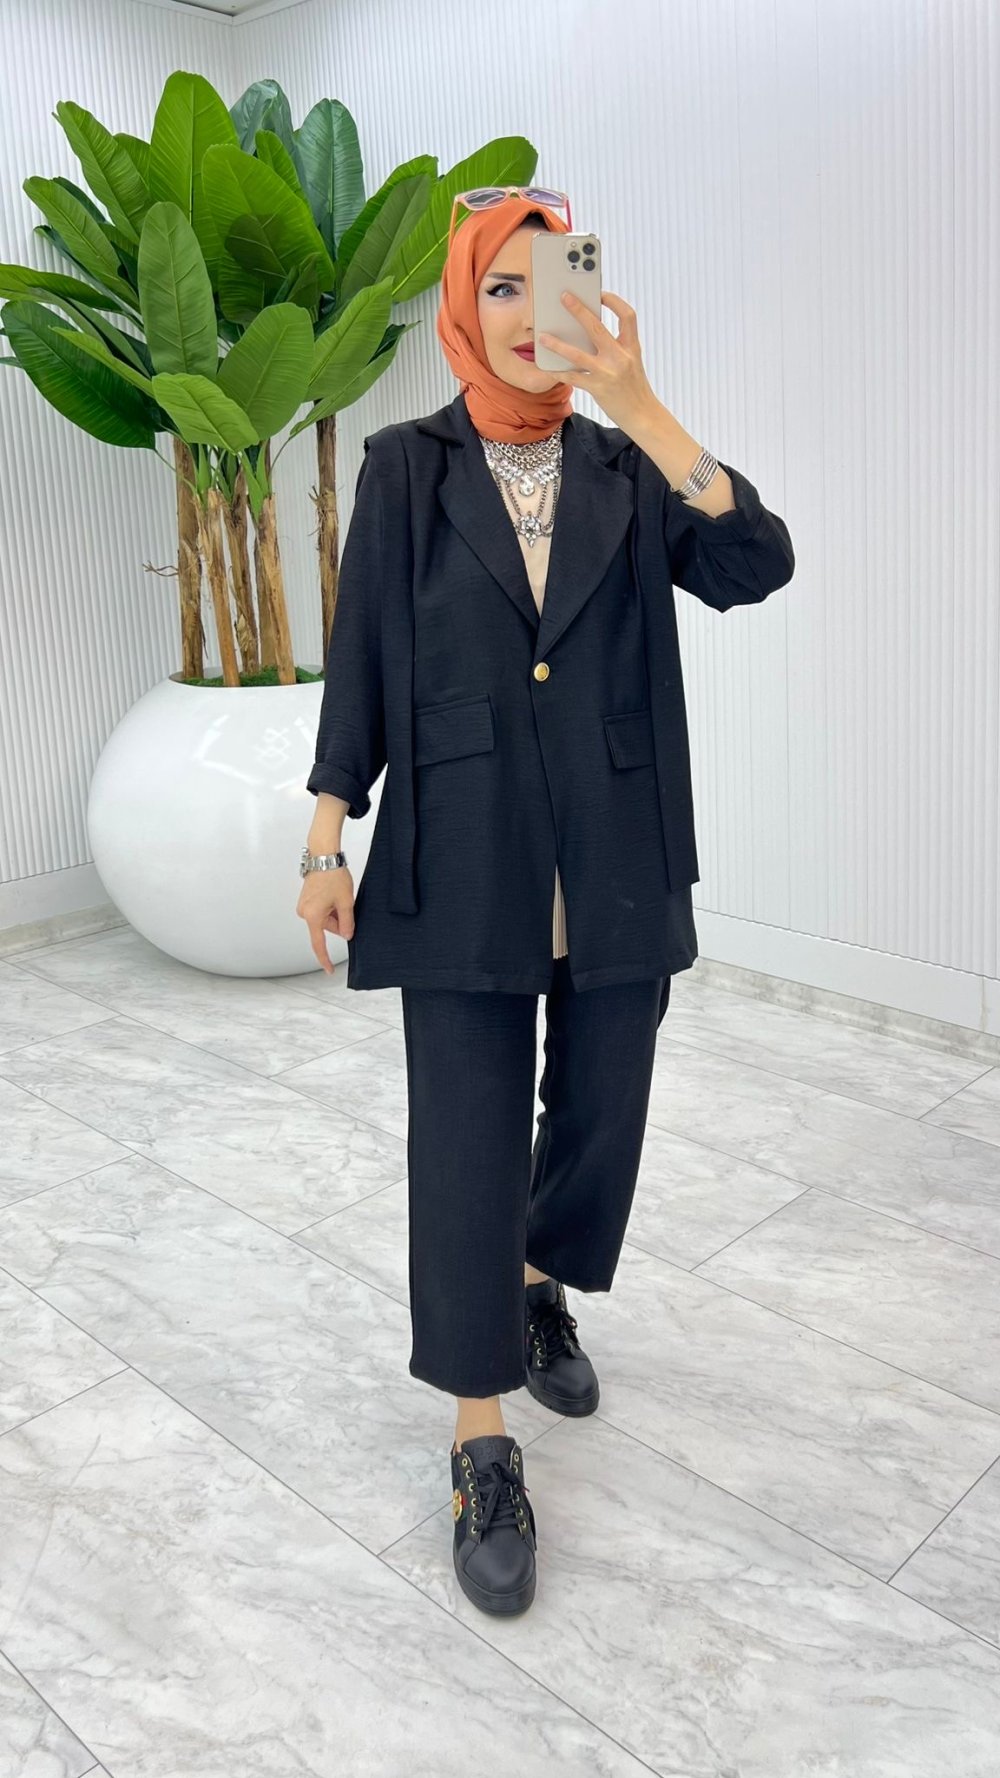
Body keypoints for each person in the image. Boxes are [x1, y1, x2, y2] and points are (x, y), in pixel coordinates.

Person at [297, 187, 795, 1617]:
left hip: (617, 836)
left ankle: (535, 1281)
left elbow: (757, 565)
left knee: (602, 1103)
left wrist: (642, 404)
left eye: (552, 283)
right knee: (464, 1130)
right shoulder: (405, 467)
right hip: (461, 841)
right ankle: (479, 1435)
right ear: (465, 306)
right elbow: (363, 655)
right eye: (500, 288)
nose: (526, 316)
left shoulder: (630, 466)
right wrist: (328, 830)